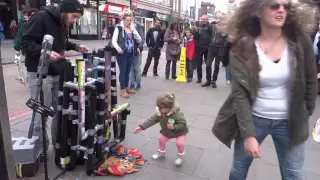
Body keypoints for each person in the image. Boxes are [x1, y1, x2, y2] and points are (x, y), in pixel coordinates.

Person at [212, 0, 318, 179]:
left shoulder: (300, 41)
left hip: (290, 121)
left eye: (286, 6)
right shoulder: (242, 46)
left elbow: (310, 78)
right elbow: (240, 95)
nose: (281, 10)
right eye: (274, 5)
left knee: (294, 175)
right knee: (238, 171)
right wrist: (248, 135)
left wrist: (306, 110)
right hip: (254, 118)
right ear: (258, 10)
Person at [21, 0, 88, 160]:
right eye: (74, 16)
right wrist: (45, 53)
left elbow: (60, 42)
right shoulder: (41, 17)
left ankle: (58, 145)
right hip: (40, 74)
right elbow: (25, 42)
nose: (74, 20)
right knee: (41, 114)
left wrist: (76, 47)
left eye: (77, 18)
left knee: (60, 111)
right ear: (65, 11)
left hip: (57, 72)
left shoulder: (61, 21)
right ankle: (41, 151)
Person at [134, 92, 188, 166]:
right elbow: (152, 120)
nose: (161, 110)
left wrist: (174, 127)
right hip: (168, 132)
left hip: (180, 132)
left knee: (180, 143)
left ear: (170, 107)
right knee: (161, 139)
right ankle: (161, 153)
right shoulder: (160, 112)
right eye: (159, 108)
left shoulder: (177, 114)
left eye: (163, 108)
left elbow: (183, 124)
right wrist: (142, 127)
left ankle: (180, 156)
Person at [111, 9, 141, 98]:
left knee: (128, 71)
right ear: (123, 20)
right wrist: (118, 48)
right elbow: (113, 40)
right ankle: (122, 90)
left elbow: (139, 39)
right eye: (127, 20)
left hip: (130, 52)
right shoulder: (119, 28)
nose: (129, 22)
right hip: (122, 53)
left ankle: (126, 88)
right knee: (123, 71)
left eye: (130, 20)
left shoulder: (131, 29)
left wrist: (134, 30)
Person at [202, 15, 228, 88]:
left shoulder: (226, 28)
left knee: (216, 66)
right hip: (211, 47)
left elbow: (227, 38)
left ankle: (214, 81)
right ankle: (208, 80)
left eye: (222, 18)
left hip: (220, 48)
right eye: (220, 18)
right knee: (208, 65)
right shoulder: (213, 25)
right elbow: (207, 26)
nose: (221, 20)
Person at [194, 14, 214, 83]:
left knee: (208, 64)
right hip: (199, 48)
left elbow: (213, 36)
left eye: (205, 19)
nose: (204, 20)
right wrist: (196, 32)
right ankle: (199, 78)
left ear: (207, 20)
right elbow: (195, 38)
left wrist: (210, 45)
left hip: (208, 48)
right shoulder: (198, 26)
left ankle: (208, 79)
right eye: (203, 19)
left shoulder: (210, 27)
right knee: (198, 64)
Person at [129, 18, 145, 90]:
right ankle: (132, 83)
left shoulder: (138, 27)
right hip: (129, 51)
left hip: (137, 51)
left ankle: (138, 83)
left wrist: (139, 47)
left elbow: (141, 39)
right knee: (131, 69)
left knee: (137, 68)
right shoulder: (125, 27)